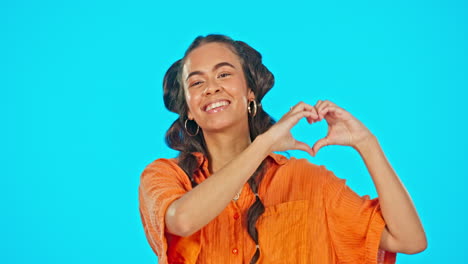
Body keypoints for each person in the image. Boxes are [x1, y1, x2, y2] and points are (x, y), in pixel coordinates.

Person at [138, 34, 427, 264]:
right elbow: (182, 220)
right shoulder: (164, 176)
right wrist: (264, 143)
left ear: (251, 92)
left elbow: (409, 240)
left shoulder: (308, 182)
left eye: (224, 75)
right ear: (187, 109)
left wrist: (367, 143)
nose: (211, 88)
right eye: (197, 82)